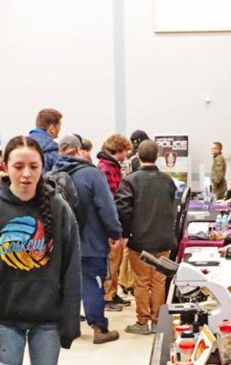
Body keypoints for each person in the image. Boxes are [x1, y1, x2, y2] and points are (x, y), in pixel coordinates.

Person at [0, 135, 81, 365]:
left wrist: (69, 322)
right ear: (4, 166)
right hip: (5, 321)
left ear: (43, 166)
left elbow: (72, 268)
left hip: (47, 321)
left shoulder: (59, 209)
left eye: (33, 167)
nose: (26, 174)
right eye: (18, 166)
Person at [54, 135, 122, 344]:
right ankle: (99, 327)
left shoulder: (51, 175)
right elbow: (106, 207)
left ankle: (66, 328)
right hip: (90, 242)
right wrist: (115, 232)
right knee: (92, 282)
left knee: (64, 285)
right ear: (80, 151)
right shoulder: (92, 174)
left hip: (60, 243)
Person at [116, 139, 178, 335]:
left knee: (142, 281)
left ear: (138, 156)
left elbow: (123, 210)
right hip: (163, 238)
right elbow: (173, 208)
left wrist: (125, 233)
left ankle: (142, 322)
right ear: (158, 156)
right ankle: (157, 321)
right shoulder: (168, 180)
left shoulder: (130, 180)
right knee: (159, 280)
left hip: (140, 239)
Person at [97, 133, 134, 309]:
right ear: (118, 149)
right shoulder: (105, 167)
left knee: (116, 260)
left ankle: (113, 292)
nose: (126, 154)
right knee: (111, 261)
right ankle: (107, 297)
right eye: (125, 150)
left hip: (115, 220)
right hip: (110, 222)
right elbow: (110, 199)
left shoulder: (112, 166)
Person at [29, 107, 63, 172]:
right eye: (59, 126)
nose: (60, 129)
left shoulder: (22, 146)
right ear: (52, 128)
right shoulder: (53, 152)